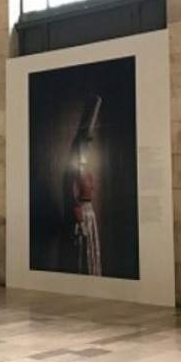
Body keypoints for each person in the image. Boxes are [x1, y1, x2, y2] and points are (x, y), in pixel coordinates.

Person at [67, 95, 103, 276]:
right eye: (85, 143)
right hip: (83, 214)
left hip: (90, 213)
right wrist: (80, 219)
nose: (88, 147)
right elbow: (73, 196)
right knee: (83, 250)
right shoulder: (76, 170)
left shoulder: (86, 171)